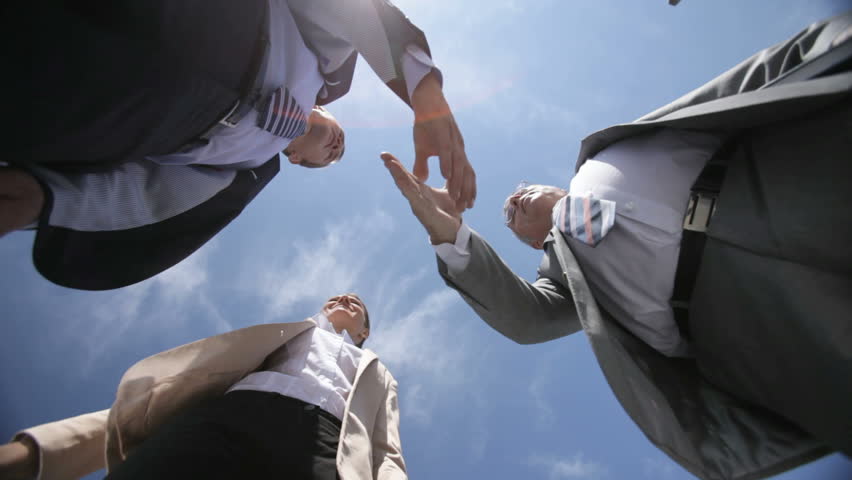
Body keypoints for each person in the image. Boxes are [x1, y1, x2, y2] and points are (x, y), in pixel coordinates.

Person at [382, 11, 852, 480]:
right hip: (751, 323)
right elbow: (523, 319)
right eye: (509, 215)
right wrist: (446, 232)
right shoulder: (566, 279)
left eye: (520, 191)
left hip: (788, 178)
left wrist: (835, 42)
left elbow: (747, 83)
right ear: (531, 241)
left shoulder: (606, 153)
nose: (514, 200)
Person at [1, 0, 474, 290]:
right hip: (228, 20)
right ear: (327, 111)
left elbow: (154, 194)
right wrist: (422, 90)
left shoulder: (244, 170)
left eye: (328, 159)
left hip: (127, 112)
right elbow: (350, 8)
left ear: (294, 157)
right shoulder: (326, 68)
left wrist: (51, 197)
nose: (335, 148)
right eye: (341, 139)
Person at [0, 293, 405, 480]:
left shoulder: (378, 373)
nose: (346, 298)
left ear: (365, 331)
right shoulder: (280, 335)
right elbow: (162, 400)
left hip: (326, 450)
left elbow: (387, 454)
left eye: (357, 305)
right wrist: (40, 453)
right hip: (226, 420)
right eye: (337, 297)